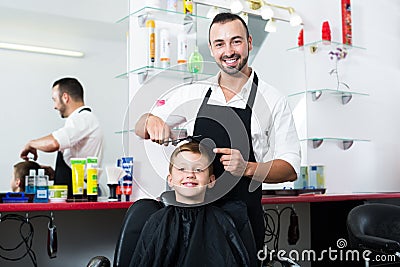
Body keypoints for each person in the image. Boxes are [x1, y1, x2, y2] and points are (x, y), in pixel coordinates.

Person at [135, 13, 300, 251]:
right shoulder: (195, 92)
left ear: (249, 43)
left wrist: (248, 168)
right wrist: (151, 121)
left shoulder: (273, 100)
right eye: (220, 44)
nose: (229, 51)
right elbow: (140, 126)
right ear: (212, 49)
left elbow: (291, 168)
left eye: (236, 41)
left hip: (242, 225)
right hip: (193, 224)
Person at [129, 142, 257, 267]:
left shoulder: (223, 221)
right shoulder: (157, 221)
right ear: (170, 180)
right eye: (182, 169)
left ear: (211, 181)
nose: (190, 175)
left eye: (198, 169)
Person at [20, 77, 104, 197]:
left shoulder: (83, 119)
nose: (54, 106)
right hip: (75, 190)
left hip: (80, 194)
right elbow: (74, 159)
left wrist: (30, 144)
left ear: (65, 97)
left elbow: (54, 143)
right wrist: (56, 174)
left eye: (55, 100)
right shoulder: (80, 120)